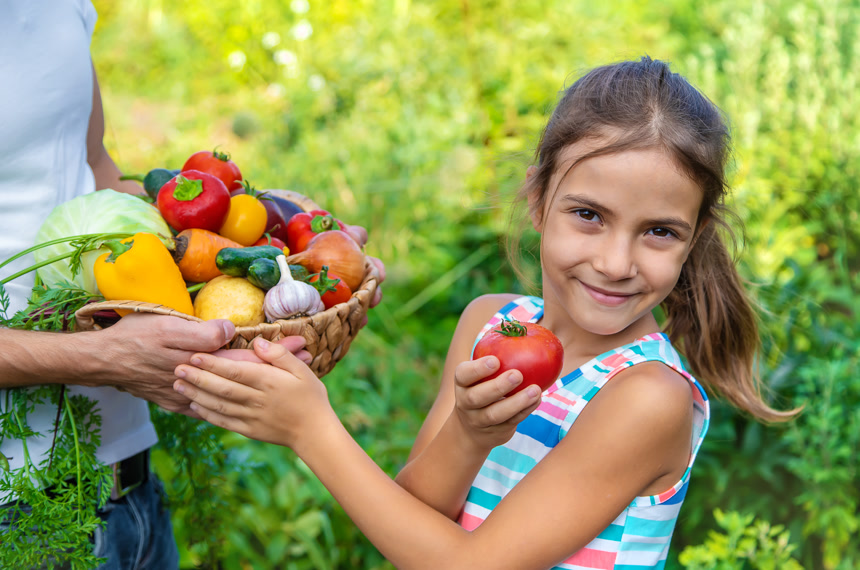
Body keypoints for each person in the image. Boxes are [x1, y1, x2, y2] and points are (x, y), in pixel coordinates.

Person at [171, 56, 799, 569]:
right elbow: (414, 523)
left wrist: (313, 431)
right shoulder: (488, 323)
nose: (615, 262)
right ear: (537, 199)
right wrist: (470, 436)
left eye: (659, 232)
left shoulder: (647, 397)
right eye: (589, 215)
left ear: (695, 237)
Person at [0, 1, 382, 568]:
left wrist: (302, 243)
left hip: (124, 477)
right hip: (17, 506)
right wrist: (96, 357)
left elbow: (96, 172)